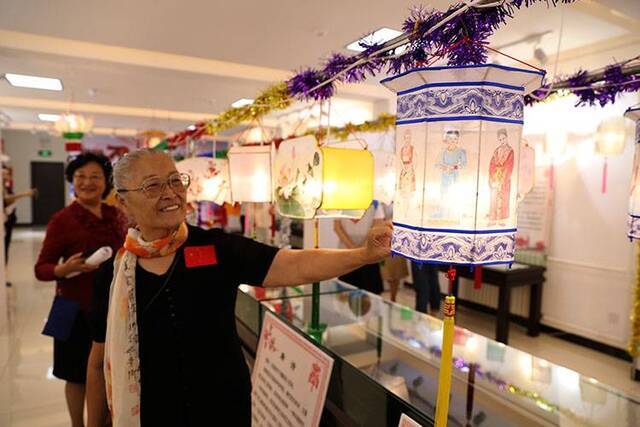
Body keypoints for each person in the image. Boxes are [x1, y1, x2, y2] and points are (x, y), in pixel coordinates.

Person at [86, 149, 391, 427]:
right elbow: (100, 362)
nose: (171, 194)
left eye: (175, 181)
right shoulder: (113, 277)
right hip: (153, 413)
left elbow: (294, 264)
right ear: (124, 201)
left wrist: (362, 255)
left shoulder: (217, 248)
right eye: (152, 186)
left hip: (223, 408)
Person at [34, 152, 127, 427]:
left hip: (112, 306)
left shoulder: (117, 215)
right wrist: (64, 269)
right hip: (71, 307)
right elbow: (41, 269)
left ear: (106, 182)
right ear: (72, 181)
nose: (87, 182)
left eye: (95, 176)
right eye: (80, 177)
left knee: (109, 371)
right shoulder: (62, 219)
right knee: (74, 375)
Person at [333, 201, 385, 294]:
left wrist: (362, 247)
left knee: (370, 295)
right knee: (345, 293)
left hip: (369, 255)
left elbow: (378, 226)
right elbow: (337, 227)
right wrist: (353, 247)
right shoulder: (340, 201)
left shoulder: (375, 203)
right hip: (346, 254)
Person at [3, 165, 37, 286]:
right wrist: (25, 194)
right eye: (5, 173)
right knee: (4, 250)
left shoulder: (6, 187)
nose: (7, 175)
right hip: (5, 222)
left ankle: (4, 276)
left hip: (9, 220)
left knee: (5, 250)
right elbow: (6, 200)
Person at [379, 203, 408, 302]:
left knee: (396, 272)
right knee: (386, 272)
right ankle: (391, 297)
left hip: (396, 240)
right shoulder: (378, 204)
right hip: (382, 239)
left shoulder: (398, 202)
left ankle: (393, 298)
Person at [437, 129, 466, 219]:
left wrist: (454, 167)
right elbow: (437, 164)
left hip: (454, 176)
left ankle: (453, 215)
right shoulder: (443, 151)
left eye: (455, 139)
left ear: (457, 140)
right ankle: (443, 214)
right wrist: (445, 168)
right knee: (444, 194)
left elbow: (463, 164)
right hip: (445, 176)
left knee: (453, 194)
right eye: (450, 139)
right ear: (447, 140)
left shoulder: (461, 151)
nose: (453, 141)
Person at [488, 128, 515, 222]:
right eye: (500, 139)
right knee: (494, 197)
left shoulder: (510, 151)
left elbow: (509, 166)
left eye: (503, 138)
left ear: (507, 138)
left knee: (504, 197)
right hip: (496, 177)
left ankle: (502, 218)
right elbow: (491, 164)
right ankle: (494, 217)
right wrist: (492, 176)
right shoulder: (496, 150)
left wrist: (503, 179)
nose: (502, 141)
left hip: (504, 178)